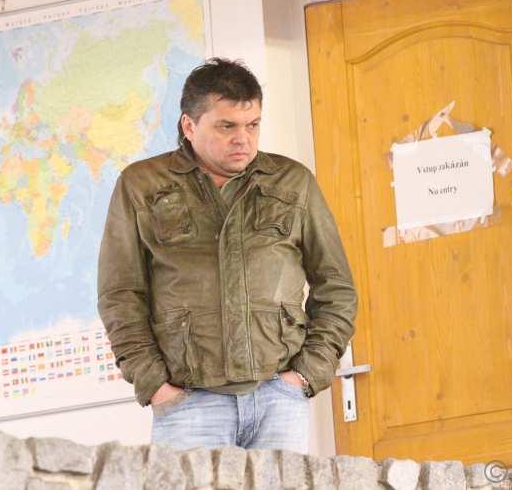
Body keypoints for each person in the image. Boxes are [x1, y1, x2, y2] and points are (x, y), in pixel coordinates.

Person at [98, 58, 356, 453]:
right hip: (188, 402)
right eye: (227, 126)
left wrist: (307, 374)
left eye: (252, 125)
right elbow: (120, 293)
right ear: (189, 126)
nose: (243, 139)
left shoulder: (292, 182)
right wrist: (155, 384)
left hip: (278, 396)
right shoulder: (142, 185)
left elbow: (336, 286)